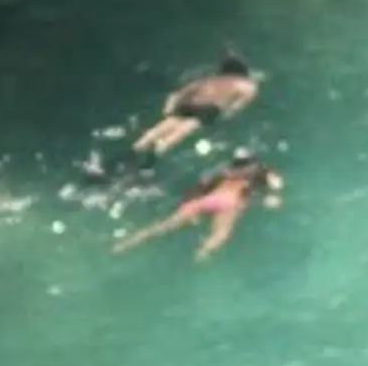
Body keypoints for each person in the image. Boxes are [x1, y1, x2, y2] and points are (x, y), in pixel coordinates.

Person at [114, 153, 282, 262]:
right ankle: (201, 256)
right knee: (220, 235)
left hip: (209, 200)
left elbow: (198, 189)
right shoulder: (256, 175)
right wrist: (265, 197)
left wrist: (188, 205)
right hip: (229, 204)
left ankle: (127, 243)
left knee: (166, 225)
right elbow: (275, 187)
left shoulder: (225, 173)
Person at [134, 50, 260, 156]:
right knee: (188, 126)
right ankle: (161, 146)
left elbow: (177, 94)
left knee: (169, 122)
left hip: (187, 105)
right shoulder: (248, 85)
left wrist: (168, 108)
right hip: (208, 109)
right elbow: (236, 107)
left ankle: (141, 143)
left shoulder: (209, 79)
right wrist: (223, 117)